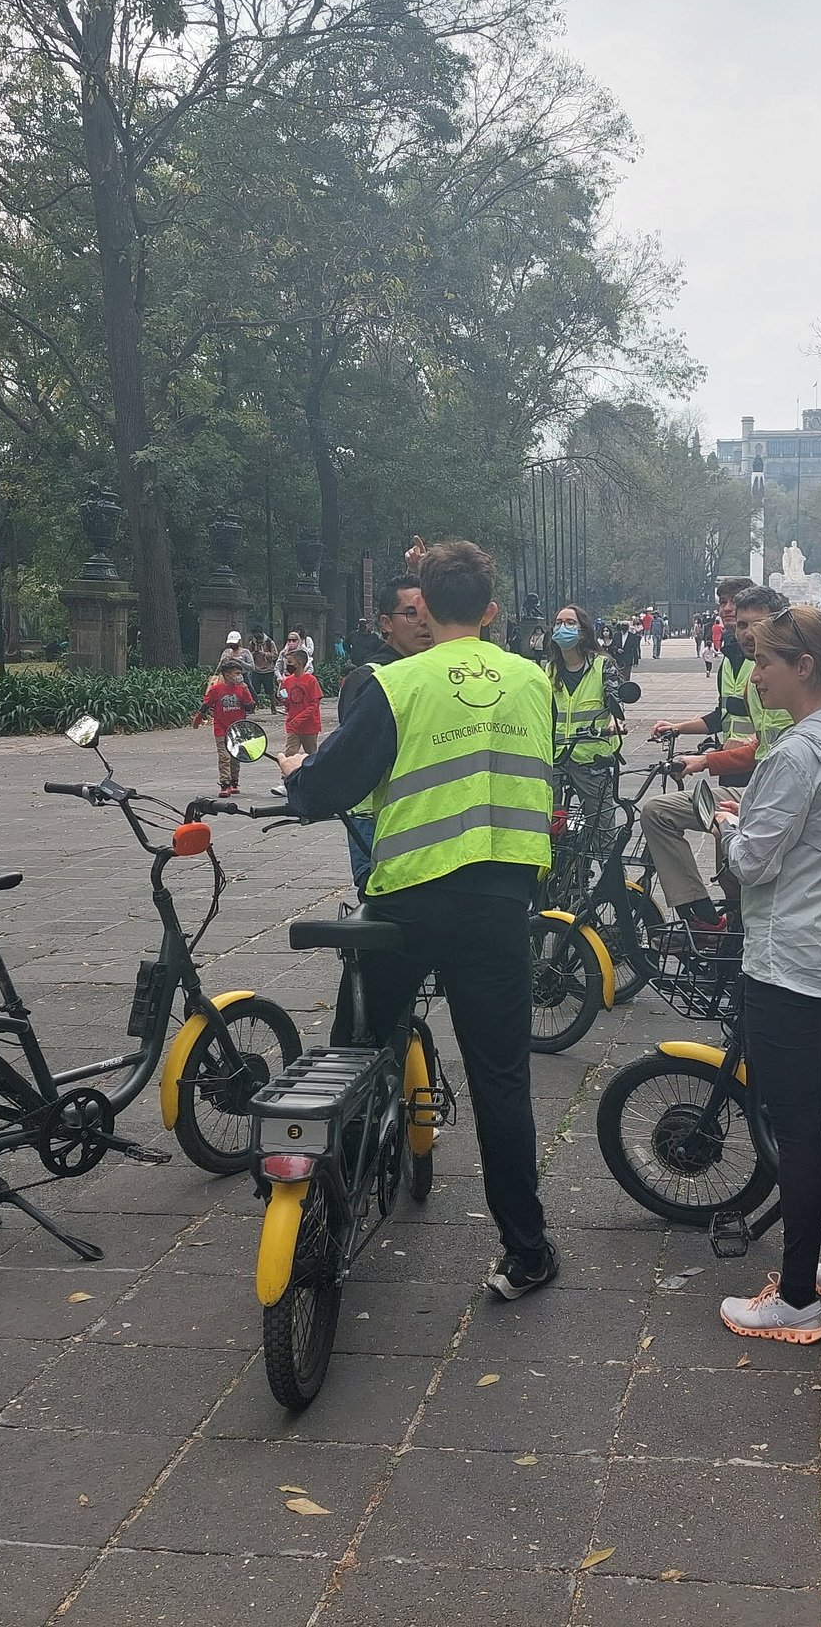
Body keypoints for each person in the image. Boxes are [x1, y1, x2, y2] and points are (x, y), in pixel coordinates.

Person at [275, 540, 558, 1300]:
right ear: (492, 610)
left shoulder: (396, 684)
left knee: (355, 1052)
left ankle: (325, 1218)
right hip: (498, 903)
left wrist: (298, 784)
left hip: (405, 901)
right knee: (502, 1078)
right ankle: (526, 1249)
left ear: (424, 609)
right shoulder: (535, 681)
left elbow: (334, 783)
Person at [714, 606, 821, 1344]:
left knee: (797, 1130)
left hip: (786, 955)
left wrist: (730, 829)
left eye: (765, 662)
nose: (755, 674)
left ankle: (794, 1297)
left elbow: (754, 862)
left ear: (805, 669)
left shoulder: (794, 754)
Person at [642, 579, 783, 931]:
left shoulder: (782, 671)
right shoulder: (732, 663)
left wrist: (707, 760)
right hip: (737, 775)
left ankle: (733, 934)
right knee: (728, 871)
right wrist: (679, 728)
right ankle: (714, 926)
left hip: (764, 785)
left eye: (744, 611)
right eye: (727, 606)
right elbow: (723, 716)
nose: (729, 611)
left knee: (735, 868)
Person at [325, 573, 432, 889]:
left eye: (428, 614)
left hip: (421, 816)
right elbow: (353, 753)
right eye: (411, 614)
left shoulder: (435, 676)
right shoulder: (371, 678)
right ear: (386, 623)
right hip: (373, 816)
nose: (423, 623)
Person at [547, 604, 625, 822]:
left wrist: (616, 723)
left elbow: (616, 703)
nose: (563, 627)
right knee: (547, 821)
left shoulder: (602, 665)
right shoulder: (550, 670)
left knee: (602, 826)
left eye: (570, 623)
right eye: (559, 623)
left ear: (583, 631)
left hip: (591, 758)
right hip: (555, 756)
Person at [193, 654, 257, 798]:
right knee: (224, 756)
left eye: (240, 673)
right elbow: (207, 703)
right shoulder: (217, 690)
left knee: (236, 756)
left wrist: (246, 691)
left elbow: (250, 707)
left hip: (238, 728)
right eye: (236, 673)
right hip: (221, 727)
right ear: (227, 675)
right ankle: (225, 783)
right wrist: (199, 717)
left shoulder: (242, 689)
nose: (239, 676)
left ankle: (235, 781)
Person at [280, 645, 324, 755]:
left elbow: (314, 705)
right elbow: (288, 703)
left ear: (299, 663)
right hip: (292, 724)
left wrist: (299, 719)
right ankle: (288, 772)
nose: (288, 665)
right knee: (290, 752)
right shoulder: (287, 681)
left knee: (311, 753)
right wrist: (283, 699)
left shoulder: (311, 680)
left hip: (309, 725)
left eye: (290, 662)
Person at [249, 631, 281, 708]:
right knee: (254, 690)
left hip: (268, 670)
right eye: (258, 641)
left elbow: (275, 655)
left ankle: (273, 707)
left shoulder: (270, 643)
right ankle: (254, 707)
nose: (259, 642)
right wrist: (253, 654)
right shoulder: (252, 644)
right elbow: (249, 655)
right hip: (256, 670)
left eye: (261, 641)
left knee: (270, 690)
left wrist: (265, 654)